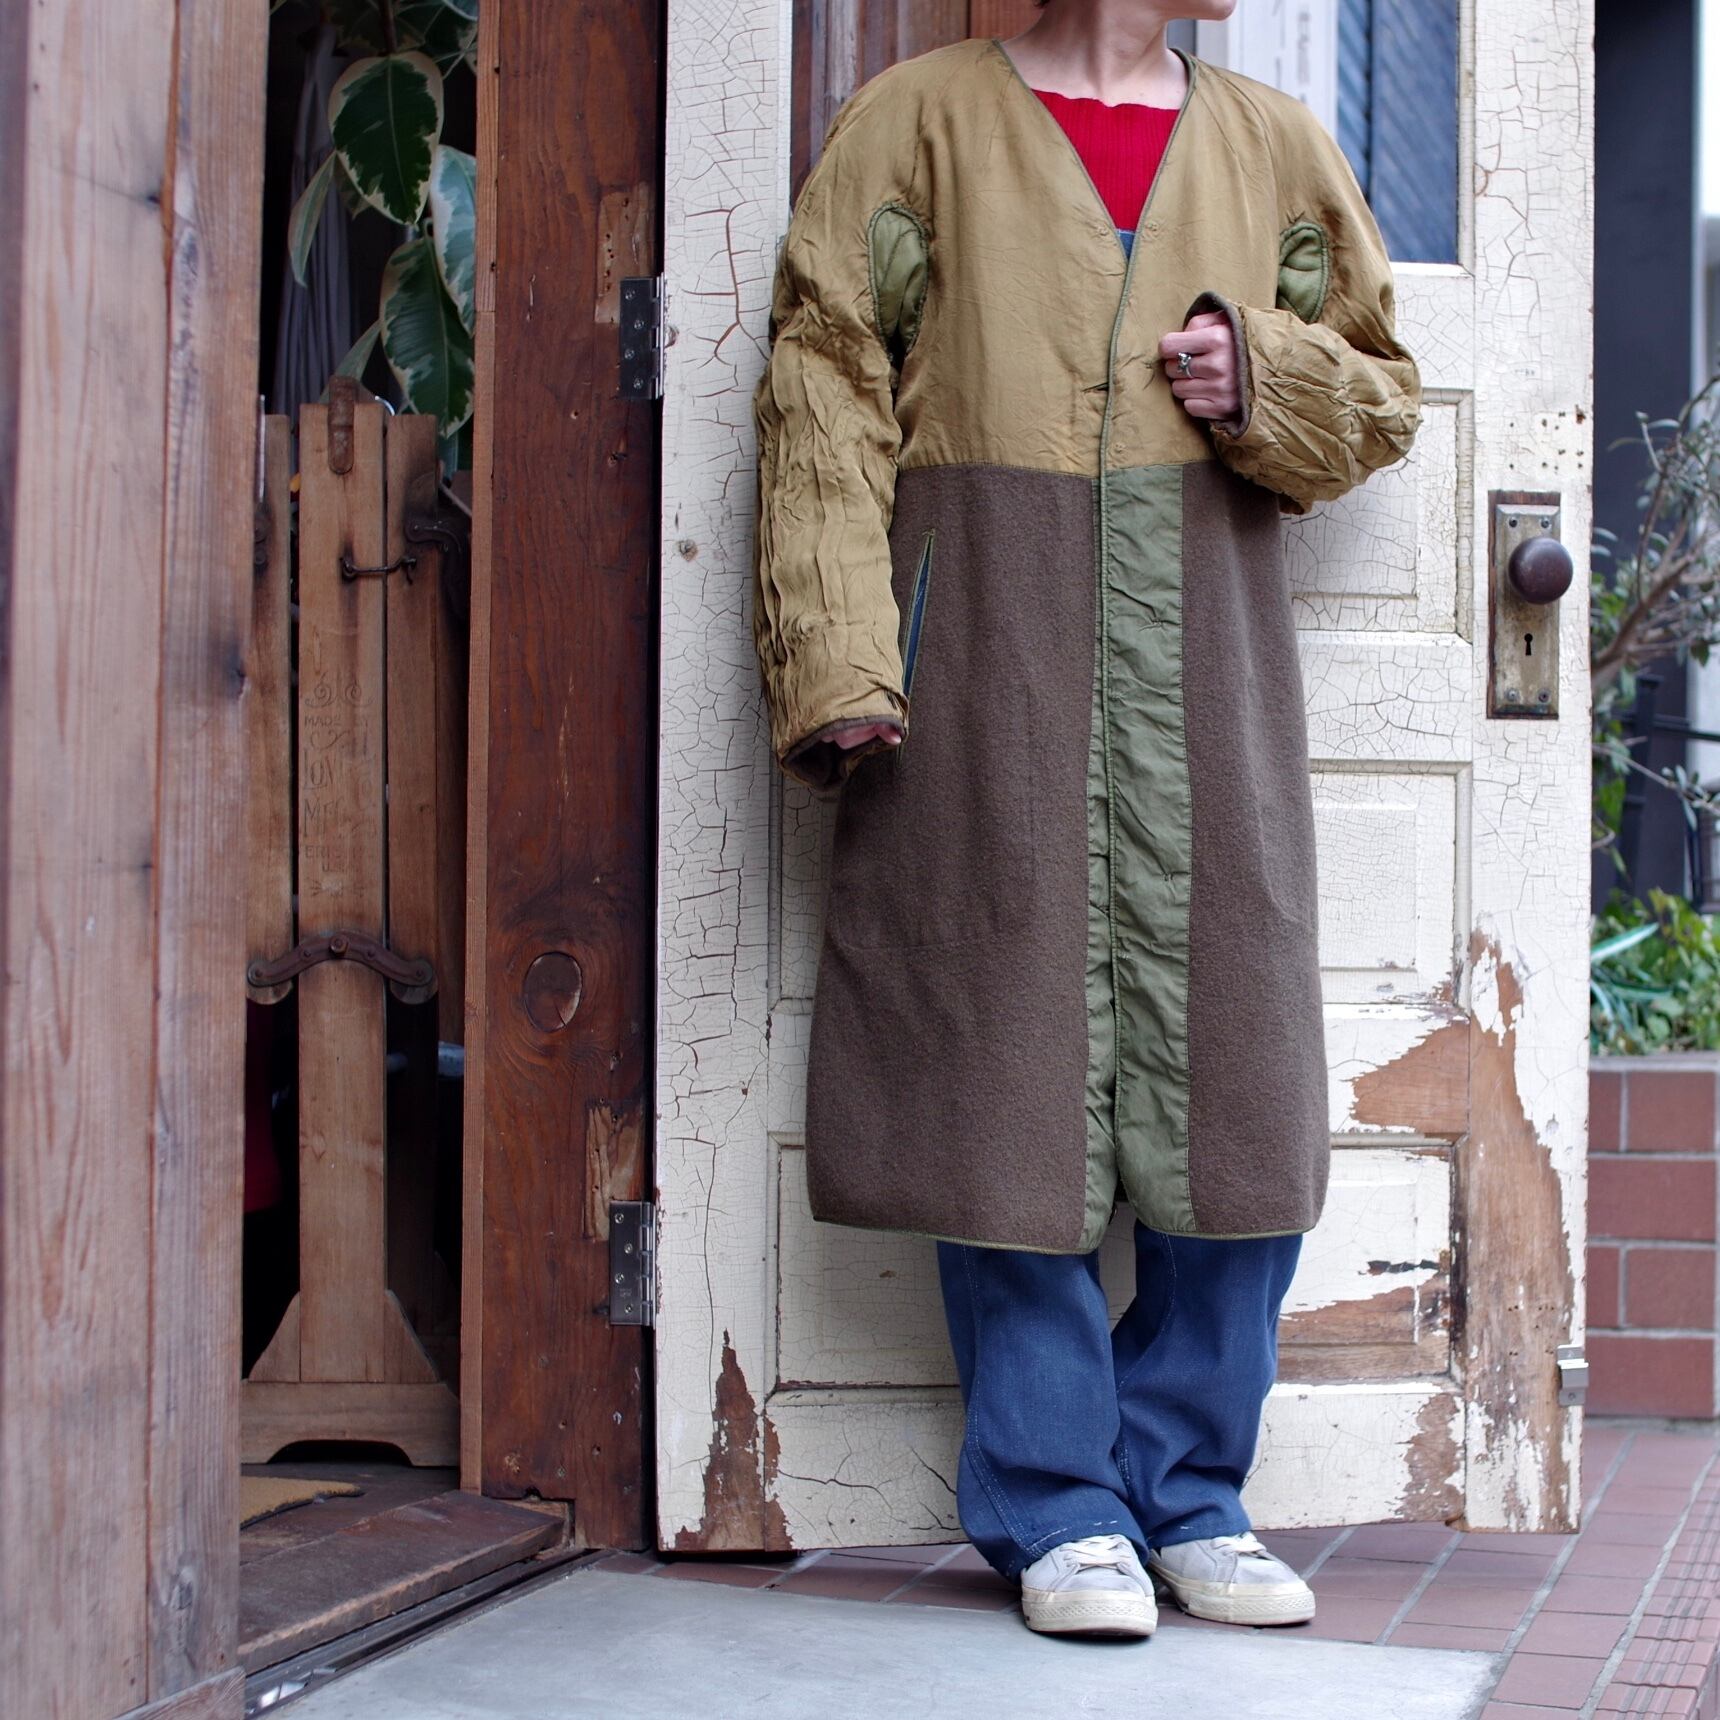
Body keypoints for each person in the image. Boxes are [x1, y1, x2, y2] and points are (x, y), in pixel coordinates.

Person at [750, 0, 1422, 1640]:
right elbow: (825, 390)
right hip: (987, 648)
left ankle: (1191, 1491)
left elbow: (1386, 391)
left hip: (1206, 654)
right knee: (1000, 1080)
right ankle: (1057, 1509)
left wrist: (1262, 373)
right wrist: (840, 651)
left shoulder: (1273, 142)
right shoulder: (915, 122)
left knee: (1240, 1082)